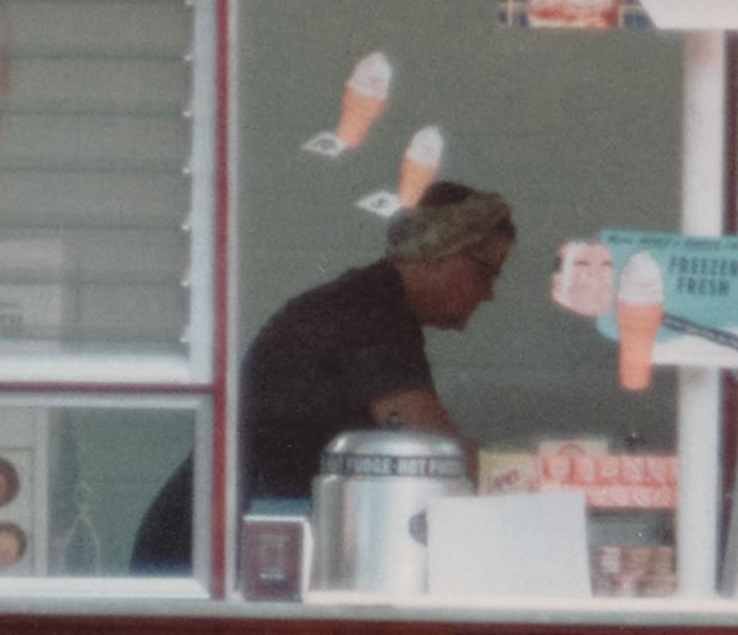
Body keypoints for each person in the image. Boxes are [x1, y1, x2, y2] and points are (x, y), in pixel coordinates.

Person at [133, 184, 520, 570]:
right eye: (486, 273)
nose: (488, 294)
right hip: (203, 557)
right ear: (440, 251)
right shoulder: (372, 310)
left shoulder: (369, 300)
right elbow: (431, 449)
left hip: (218, 539)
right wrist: (531, 478)